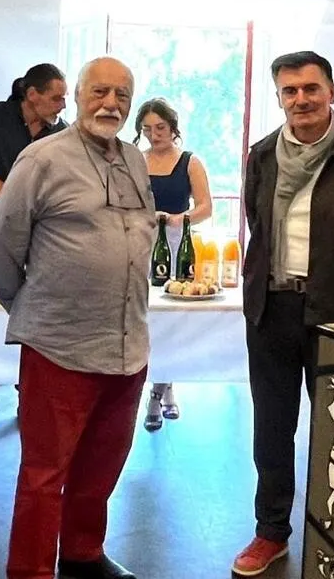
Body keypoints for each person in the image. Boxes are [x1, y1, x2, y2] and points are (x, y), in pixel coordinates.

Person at [0, 56, 152, 579]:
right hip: (59, 347)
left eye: (122, 95)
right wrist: (29, 307)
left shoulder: (134, 159)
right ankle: (30, 571)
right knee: (43, 473)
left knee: (102, 464)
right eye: (99, 91)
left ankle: (82, 554)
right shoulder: (42, 159)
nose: (111, 103)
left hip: (127, 346)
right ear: (76, 96)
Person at [232, 50, 334, 576]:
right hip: (271, 310)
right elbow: (257, 223)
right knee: (272, 428)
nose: (301, 99)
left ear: (331, 92)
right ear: (279, 97)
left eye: (310, 88)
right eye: (290, 91)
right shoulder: (262, 156)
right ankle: (270, 532)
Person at [0, 63, 68, 440]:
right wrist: (14, 198)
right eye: (56, 97)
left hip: (45, 238)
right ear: (31, 94)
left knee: (37, 319)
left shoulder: (62, 133)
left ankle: (30, 400)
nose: (62, 105)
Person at [133, 97, 213, 431]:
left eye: (160, 128)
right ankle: (159, 387)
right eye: (147, 130)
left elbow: (206, 206)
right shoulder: (136, 161)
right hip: (140, 244)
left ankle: (159, 392)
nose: (154, 135)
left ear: (173, 127)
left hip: (178, 245)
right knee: (147, 318)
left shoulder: (190, 162)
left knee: (171, 318)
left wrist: (181, 218)